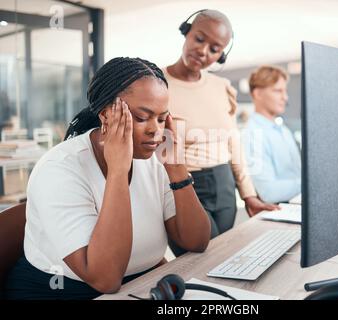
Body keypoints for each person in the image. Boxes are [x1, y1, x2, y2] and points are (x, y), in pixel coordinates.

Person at [5, 57, 211, 300]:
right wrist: (117, 171)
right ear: (106, 116)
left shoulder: (154, 159)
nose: (155, 130)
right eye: (142, 117)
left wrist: (177, 169)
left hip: (137, 286)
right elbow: (106, 278)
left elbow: (196, 241)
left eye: (160, 118)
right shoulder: (59, 169)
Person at [164, 9, 278, 256]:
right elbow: (157, 152)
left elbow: (233, 143)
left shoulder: (222, 87)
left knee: (221, 260)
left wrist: (248, 195)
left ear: (221, 56)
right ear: (187, 32)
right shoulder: (158, 85)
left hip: (224, 184)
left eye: (215, 49)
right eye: (199, 39)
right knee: (198, 258)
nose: (204, 52)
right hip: (184, 186)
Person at [244, 65, 301, 203]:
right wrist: (311, 183)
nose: (285, 97)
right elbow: (268, 193)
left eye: (285, 91)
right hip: (277, 213)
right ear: (258, 94)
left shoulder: (284, 131)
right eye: (278, 91)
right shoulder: (252, 135)